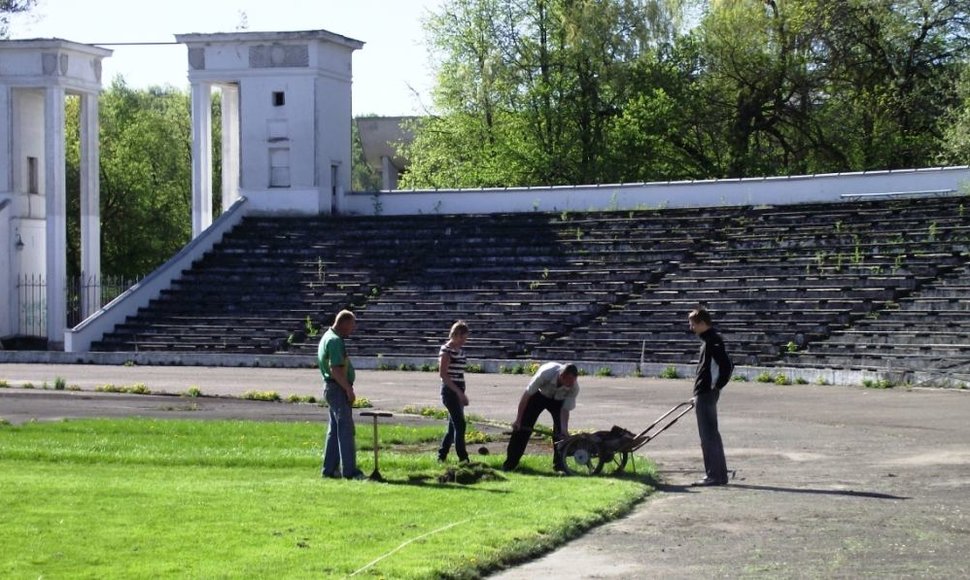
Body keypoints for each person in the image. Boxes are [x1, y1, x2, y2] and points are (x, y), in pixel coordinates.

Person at [503, 362, 580, 472]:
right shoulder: (546, 373)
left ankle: (559, 465)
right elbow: (526, 397)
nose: (570, 385)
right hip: (539, 396)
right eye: (568, 382)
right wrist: (518, 420)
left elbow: (565, 409)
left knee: (560, 433)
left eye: (573, 382)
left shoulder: (574, 387)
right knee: (522, 428)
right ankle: (510, 464)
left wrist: (564, 430)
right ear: (562, 376)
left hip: (558, 401)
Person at [688, 307, 733, 486]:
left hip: (707, 394)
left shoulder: (713, 341)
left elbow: (727, 366)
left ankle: (714, 475)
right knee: (711, 434)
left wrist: (715, 387)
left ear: (701, 323)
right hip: (704, 393)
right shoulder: (709, 340)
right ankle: (719, 475)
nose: (691, 327)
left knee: (708, 436)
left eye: (692, 323)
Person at [319, 309, 364, 479]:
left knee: (335, 430)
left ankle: (329, 469)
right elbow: (335, 369)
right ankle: (350, 471)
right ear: (344, 323)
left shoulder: (327, 336)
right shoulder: (335, 341)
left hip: (331, 388)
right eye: (351, 326)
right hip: (337, 388)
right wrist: (348, 389)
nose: (352, 330)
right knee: (346, 430)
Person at [437, 320, 471, 462]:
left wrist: (462, 391)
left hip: (459, 388)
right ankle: (463, 458)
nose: (464, 341)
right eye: (463, 337)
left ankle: (442, 455)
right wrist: (458, 392)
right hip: (450, 391)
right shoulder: (446, 350)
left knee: (453, 427)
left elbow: (459, 373)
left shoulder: (460, 351)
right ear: (456, 335)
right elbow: (443, 374)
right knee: (460, 424)